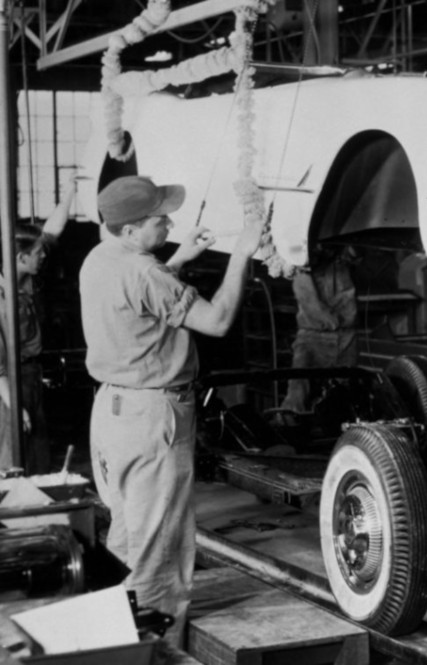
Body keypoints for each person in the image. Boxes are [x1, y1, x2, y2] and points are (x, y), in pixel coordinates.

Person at [79, 175, 263, 648]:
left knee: (127, 538)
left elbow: (141, 295)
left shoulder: (100, 258)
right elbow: (217, 321)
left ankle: (108, 645)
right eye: (161, 220)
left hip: (112, 416)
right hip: (151, 418)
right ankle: (152, 656)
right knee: (159, 555)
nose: (170, 223)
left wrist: (179, 260)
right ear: (130, 230)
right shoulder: (147, 273)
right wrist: (241, 251)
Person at [0, 176, 78, 473]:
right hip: (7, 384)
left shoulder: (28, 280)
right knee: (11, 457)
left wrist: (70, 192)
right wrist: (13, 403)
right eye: (38, 254)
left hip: (31, 376)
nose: (44, 255)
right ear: (20, 258)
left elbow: (51, 231)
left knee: (35, 454)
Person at [279, 246, 358, 415]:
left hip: (346, 336)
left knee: (346, 396)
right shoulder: (301, 264)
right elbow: (312, 306)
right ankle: (290, 427)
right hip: (313, 337)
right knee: (297, 397)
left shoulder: (340, 259)